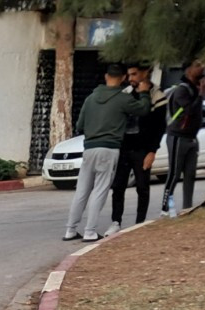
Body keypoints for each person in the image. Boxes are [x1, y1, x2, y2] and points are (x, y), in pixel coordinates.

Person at [64, 63, 151, 243]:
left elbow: (79, 125)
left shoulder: (90, 98)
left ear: (106, 77)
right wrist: (144, 92)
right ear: (122, 78)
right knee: (100, 190)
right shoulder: (122, 99)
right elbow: (143, 109)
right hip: (109, 148)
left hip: (89, 148)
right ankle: (89, 231)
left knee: (82, 190)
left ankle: (70, 230)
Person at [109, 63, 165, 231]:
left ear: (145, 73)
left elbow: (160, 127)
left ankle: (139, 223)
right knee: (118, 186)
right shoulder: (125, 93)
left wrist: (152, 151)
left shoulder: (158, 95)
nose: (131, 78)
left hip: (143, 149)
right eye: (129, 75)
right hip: (124, 148)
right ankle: (115, 222)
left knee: (142, 187)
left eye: (134, 74)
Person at [162, 59, 205, 216]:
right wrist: (201, 93)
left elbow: (198, 109)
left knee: (190, 174)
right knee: (174, 174)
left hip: (192, 138)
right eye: (197, 65)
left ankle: (187, 208)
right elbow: (188, 110)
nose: (202, 68)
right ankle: (165, 209)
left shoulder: (194, 89)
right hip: (177, 137)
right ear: (188, 70)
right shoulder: (182, 90)